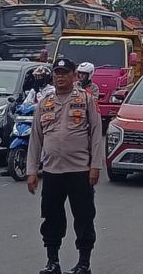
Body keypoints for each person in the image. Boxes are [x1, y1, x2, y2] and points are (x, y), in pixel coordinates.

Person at [26, 56, 104, 274]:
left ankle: (84, 263)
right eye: (57, 73)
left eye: (65, 73)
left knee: (84, 217)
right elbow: (35, 138)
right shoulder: (45, 102)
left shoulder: (86, 99)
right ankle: (53, 262)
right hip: (52, 171)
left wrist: (95, 165)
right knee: (51, 218)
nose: (60, 77)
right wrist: (32, 171)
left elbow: (96, 133)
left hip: (80, 170)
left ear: (74, 76)